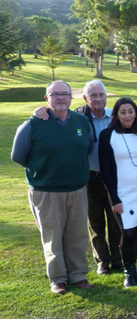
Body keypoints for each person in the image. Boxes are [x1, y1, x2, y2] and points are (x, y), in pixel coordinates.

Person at [11, 80, 95, 294]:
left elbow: (87, 147)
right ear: (46, 98)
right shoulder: (33, 123)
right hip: (46, 191)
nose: (60, 97)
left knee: (77, 235)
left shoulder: (81, 121)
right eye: (54, 94)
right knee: (52, 236)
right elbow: (18, 156)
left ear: (71, 97)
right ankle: (58, 279)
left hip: (76, 189)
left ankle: (78, 275)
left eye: (65, 94)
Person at [33, 80, 123, 275]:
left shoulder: (115, 117)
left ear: (106, 97)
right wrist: (40, 109)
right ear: (84, 98)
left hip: (114, 178)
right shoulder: (78, 117)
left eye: (101, 95)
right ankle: (102, 262)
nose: (98, 99)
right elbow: (56, 111)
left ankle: (118, 260)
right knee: (95, 222)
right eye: (93, 95)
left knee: (116, 221)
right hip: (88, 177)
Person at [99, 97, 137, 288]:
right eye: (123, 112)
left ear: (135, 113)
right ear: (116, 115)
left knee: (136, 230)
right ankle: (128, 271)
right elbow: (105, 171)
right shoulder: (107, 135)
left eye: (130, 111)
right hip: (121, 192)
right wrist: (114, 198)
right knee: (127, 232)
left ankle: (133, 266)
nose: (127, 115)